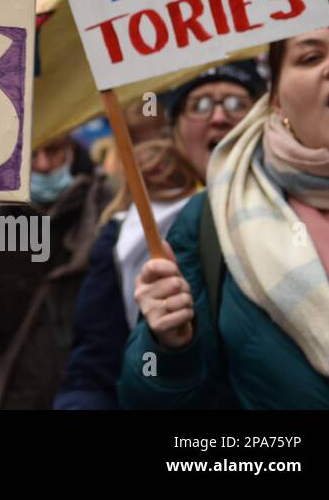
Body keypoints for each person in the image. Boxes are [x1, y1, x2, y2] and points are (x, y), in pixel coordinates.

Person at [119, 0, 329, 409]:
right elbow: (146, 399)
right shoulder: (210, 220)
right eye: (311, 56)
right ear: (276, 98)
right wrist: (167, 346)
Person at [55, 63, 264, 408]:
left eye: (236, 103)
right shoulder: (130, 233)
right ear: (176, 129)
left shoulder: (312, 206)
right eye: (199, 105)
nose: (218, 118)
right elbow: (96, 369)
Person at [0, 135, 108, 408]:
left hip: (95, 388)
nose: (44, 165)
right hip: (17, 392)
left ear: (71, 148)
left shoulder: (103, 209)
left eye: (54, 150)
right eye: (32, 154)